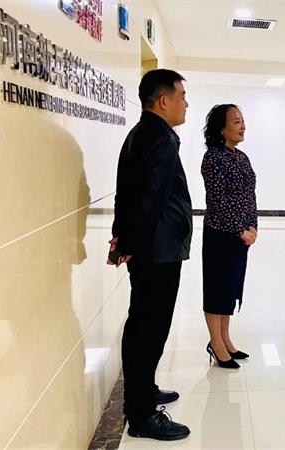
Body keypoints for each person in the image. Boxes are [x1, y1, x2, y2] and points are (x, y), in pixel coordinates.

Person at [108, 69, 192, 440]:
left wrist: (122, 239)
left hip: (149, 248)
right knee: (150, 329)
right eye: (181, 96)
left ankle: (144, 390)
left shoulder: (141, 134)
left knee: (143, 325)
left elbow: (126, 192)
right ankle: (141, 415)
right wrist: (129, 243)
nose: (185, 103)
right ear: (163, 101)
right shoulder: (161, 139)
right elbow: (149, 199)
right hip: (157, 252)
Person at [201, 104, 257, 369]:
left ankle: (225, 338)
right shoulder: (213, 158)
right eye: (236, 121)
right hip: (220, 234)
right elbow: (218, 201)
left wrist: (253, 227)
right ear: (221, 129)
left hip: (242, 235)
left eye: (242, 120)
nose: (242, 126)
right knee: (217, 289)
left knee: (231, 287)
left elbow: (250, 195)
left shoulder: (242, 157)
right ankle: (216, 342)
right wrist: (239, 229)